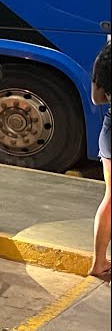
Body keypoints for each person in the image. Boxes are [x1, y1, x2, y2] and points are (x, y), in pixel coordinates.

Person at [90, 40, 111, 281]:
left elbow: (97, 99)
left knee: (110, 198)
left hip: (109, 132)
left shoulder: (104, 58)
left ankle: (99, 262)